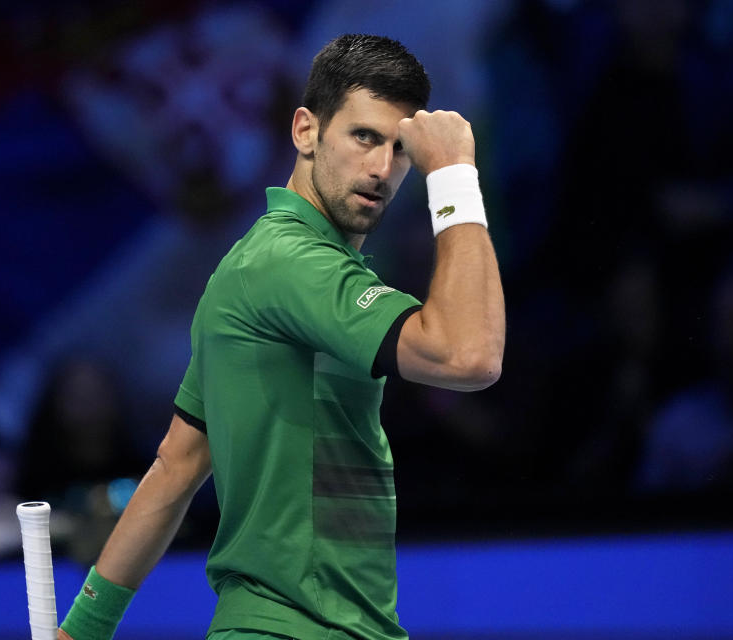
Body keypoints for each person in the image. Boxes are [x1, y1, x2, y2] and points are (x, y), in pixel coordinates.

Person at [57, 34, 506, 640]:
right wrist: (453, 177)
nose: (380, 167)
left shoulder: (257, 265)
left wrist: (79, 631)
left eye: (400, 149)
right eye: (364, 136)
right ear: (305, 131)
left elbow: (176, 465)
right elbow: (468, 353)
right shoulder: (291, 264)